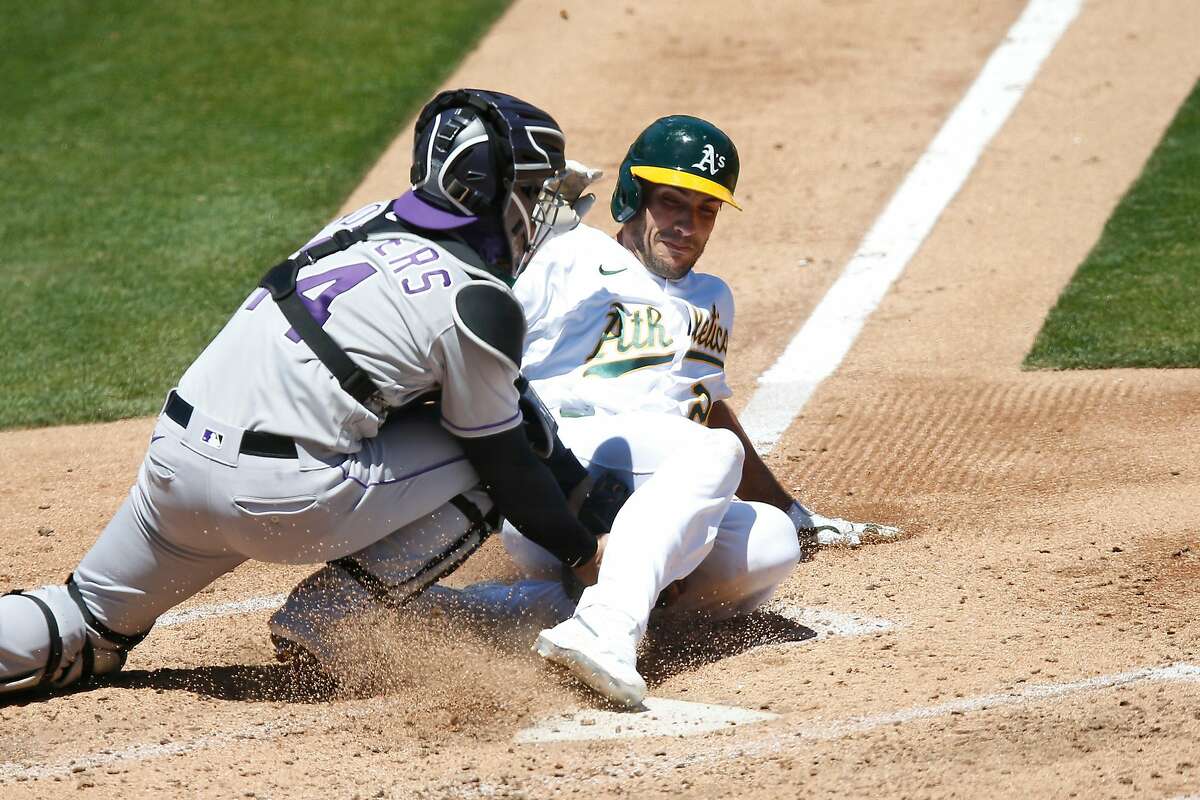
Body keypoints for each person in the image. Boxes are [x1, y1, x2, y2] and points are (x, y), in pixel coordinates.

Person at [0, 88, 610, 699]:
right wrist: (585, 557)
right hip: (277, 503)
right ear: (487, 191)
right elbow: (509, 464)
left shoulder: (360, 221)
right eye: (531, 191)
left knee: (85, 619)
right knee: (502, 439)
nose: (539, 208)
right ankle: (331, 617)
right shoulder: (479, 302)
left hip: (174, 469)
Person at [505, 115, 902, 706]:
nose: (687, 226)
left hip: (658, 493)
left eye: (706, 211)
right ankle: (608, 629)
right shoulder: (569, 255)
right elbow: (481, 333)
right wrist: (514, 247)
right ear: (633, 199)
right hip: (566, 474)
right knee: (715, 454)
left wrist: (792, 508)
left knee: (771, 544)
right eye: (671, 204)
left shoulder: (713, 298)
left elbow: (706, 403)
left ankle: (505, 614)